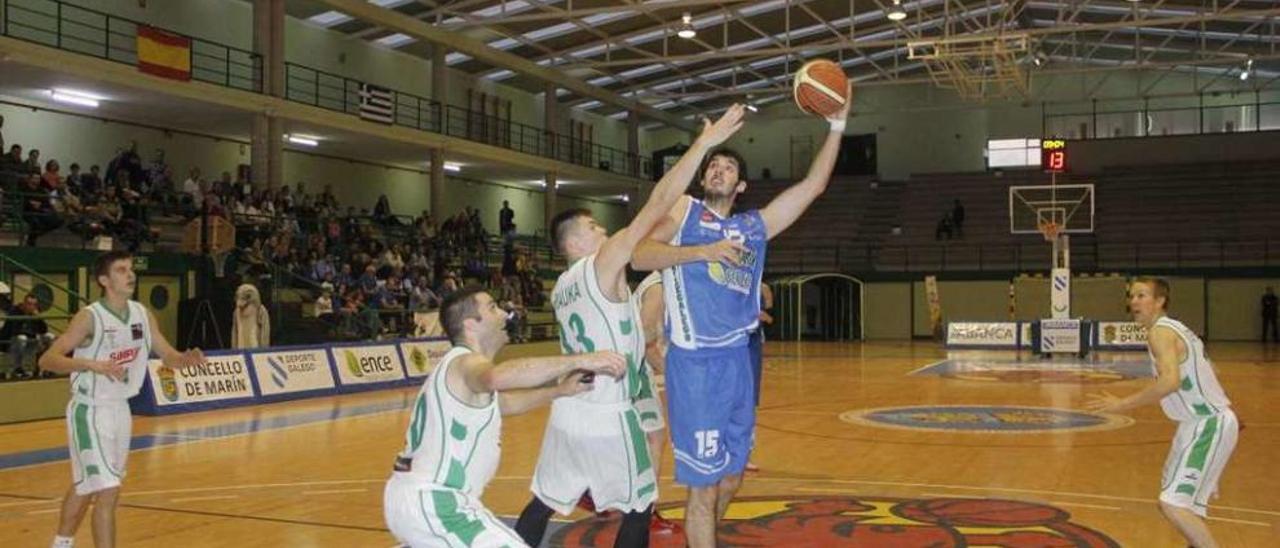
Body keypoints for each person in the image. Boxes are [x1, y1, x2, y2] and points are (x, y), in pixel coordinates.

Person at [514, 105, 746, 548]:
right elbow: (659, 202)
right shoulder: (601, 263)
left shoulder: (560, 286)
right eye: (595, 226)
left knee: (543, 501)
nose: (604, 230)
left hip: (569, 407)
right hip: (608, 412)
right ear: (576, 242)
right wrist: (703, 145)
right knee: (639, 507)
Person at [631, 82, 851, 548]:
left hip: (739, 363)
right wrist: (703, 251)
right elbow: (641, 256)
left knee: (730, 480)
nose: (718, 169)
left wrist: (837, 124)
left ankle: (705, 532)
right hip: (695, 367)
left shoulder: (755, 227)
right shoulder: (686, 213)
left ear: (741, 185)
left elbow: (813, 186)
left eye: (728, 166)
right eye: (713, 164)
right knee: (703, 488)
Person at [382, 286, 626, 547]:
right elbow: (497, 378)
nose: (504, 314)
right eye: (492, 308)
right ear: (470, 325)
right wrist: (585, 359)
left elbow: (504, 404)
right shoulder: (465, 363)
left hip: (414, 498)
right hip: (436, 500)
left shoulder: (457, 373)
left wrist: (559, 390)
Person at [40, 250, 206, 548]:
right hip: (89, 411)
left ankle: (60, 545)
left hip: (120, 411)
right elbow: (47, 360)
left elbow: (168, 355)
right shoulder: (90, 318)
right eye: (121, 270)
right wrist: (91, 364)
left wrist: (186, 359)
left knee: (88, 485)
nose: (130, 274)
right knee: (107, 490)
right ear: (104, 280)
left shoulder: (142, 314)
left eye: (130, 269)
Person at [1086, 277, 1237, 548]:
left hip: (1206, 423)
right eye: (1132, 296)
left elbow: (1170, 382)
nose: (1134, 301)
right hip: (1199, 423)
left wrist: (1122, 404)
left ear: (1160, 301)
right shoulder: (1178, 328)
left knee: (1173, 504)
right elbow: (1211, 368)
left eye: (1142, 296)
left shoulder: (1160, 332)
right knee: (1178, 504)